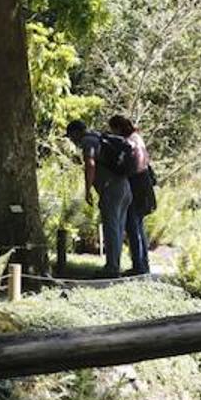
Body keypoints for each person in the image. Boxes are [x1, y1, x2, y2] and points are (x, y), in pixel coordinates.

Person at [67, 118, 133, 278]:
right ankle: (114, 265)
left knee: (111, 229)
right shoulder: (99, 136)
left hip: (111, 189)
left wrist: (88, 189)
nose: (72, 141)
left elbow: (90, 163)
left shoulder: (88, 141)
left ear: (76, 133)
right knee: (117, 229)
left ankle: (112, 268)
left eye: (70, 136)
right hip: (124, 187)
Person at [108, 114, 155, 276]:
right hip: (144, 183)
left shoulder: (129, 142)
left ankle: (139, 266)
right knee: (138, 226)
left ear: (118, 128)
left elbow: (129, 165)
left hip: (136, 184)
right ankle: (143, 263)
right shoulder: (137, 138)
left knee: (133, 226)